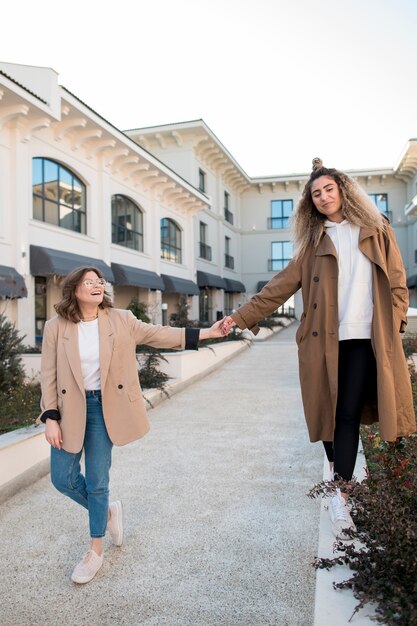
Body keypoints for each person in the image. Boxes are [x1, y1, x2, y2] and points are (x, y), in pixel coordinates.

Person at [222, 158, 416, 539]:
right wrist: (238, 318)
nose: (324, 197)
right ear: (310, 203)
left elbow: (397, 282)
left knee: (345, 415)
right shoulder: (313, 243)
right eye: (316, 193)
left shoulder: (377, 228)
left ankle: (339, 493)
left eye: (328, 189)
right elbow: (277, 288)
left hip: (366, 338)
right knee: (329, 412)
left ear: (343, 189)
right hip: (324, 341)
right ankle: (339, 479)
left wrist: (393, 324)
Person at [39, 266, 226, 584]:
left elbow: (158, 334)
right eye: (89, 281)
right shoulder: (57, 326)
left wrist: (207, 333)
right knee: (63, 478)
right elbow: (49, 374)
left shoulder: (120, 320)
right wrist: (50, 417)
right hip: (70, 410)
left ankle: (95, 549)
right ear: (74, 289)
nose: (96, 285)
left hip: (103, 408)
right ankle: (108, 512)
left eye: (99, 281)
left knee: (98, 481)